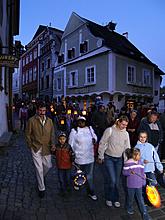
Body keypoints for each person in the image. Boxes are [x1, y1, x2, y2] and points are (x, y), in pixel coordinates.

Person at [97, 115, 130, 208]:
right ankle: (109, 197)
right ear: (118, 122)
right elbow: (102, 143)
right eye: (123, 124)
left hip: (119, 159)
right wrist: (101, 155)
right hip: (109, 158)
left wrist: (127, 161)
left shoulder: (126, 134)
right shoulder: (110, 130)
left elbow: (127, 148)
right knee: (112, 179)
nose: (124, 126)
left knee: (116, 181)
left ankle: (115, 198)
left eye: (126, 125)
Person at [25, 103, 55, 198]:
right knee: (39, 168)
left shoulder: (49, 121)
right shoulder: (31, 120)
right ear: (37, 110)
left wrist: (53, 144)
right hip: (36, 147)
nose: (42, 113)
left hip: (47, 147)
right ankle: (41, 188)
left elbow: (52, 134)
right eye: (40, 111)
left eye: (44, 111)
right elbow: (27, 134)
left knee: (48, 166)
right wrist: (30, 145)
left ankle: (41, 177)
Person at [68, 116, 98, 201]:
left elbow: (95, 137)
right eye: (79, 122)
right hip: (79, 158)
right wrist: (74, 153)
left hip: (89, 157)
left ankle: (91, 192)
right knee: (78, 174)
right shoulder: (74, 131)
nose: (81, 123)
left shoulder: (90, 129)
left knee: (89, 176)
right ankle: (77, 183)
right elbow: (70, 144)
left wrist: (94, 140)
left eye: (83, 122)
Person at [123, 148, 151, 220]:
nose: (140, 156)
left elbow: (142, 173)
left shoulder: (140, 163)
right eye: (139, 155)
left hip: (139, 185)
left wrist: (143, 181)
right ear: (134, 156)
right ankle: (129, 207)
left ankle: (145, 215)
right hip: (131, 185)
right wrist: (129, 172)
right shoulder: (127, 163)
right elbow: (124, 173)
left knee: (140, 200)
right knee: (130, 198)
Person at [52, 132, 75, 196]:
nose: (62, 140)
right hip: (60, 166)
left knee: (67, 178)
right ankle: (62, 189)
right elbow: (53, 153)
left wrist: (72, 160)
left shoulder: (68, 146)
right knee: (61, 179)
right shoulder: (56, 146)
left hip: (67, 166)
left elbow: (72, 154)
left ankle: (68, 188)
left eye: (63, 139)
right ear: (58, 139)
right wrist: (53, 150)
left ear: (66, 139)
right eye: (60, 139)